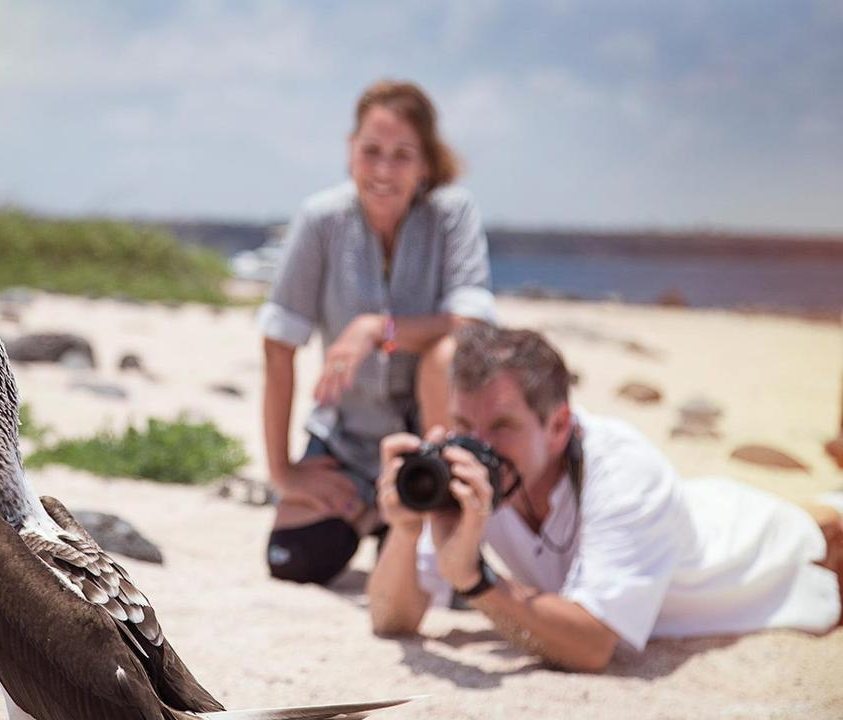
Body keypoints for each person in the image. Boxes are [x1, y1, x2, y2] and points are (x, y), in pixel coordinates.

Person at [368, 324, 843, 672]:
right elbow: (393, 618)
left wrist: (476, 584)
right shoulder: (471, 473)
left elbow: (592, 645)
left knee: (825, 526)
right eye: (465, 426)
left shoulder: (622, 469)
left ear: (559, 426)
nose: (477, 446)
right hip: (682, 523)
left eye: (502, 427)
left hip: (755, 548)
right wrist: (407, 531)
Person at [258, 79, 495, 586]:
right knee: (293, 560)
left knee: (446, 352)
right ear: (351, 153)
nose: (384, 170)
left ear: (426, 163)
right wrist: (284, 473)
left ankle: (434, 502)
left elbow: (472, 327)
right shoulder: (321, 220)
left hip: (423, 442)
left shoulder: (452, 214)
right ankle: (369, 513)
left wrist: (375, 328)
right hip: (344, 440)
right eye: (372, 151)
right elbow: (278, 345)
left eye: (402, 154)